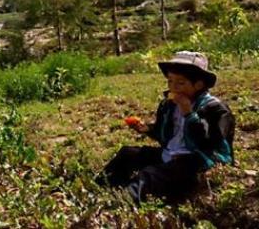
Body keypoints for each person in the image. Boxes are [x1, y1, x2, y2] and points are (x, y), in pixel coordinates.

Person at [98, 51, 235, 204]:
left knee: (149, 175)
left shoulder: (217, 109)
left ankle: (118, 202)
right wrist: (148, 129)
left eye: (180, 83)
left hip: (200, 161)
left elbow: (207, 143)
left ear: (199, 84)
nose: (173, 87)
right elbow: (168, 136)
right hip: (171, 153)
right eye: (170, 81)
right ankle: (100, 188)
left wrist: (189, 113)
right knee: (127, 154)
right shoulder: (168, 105)